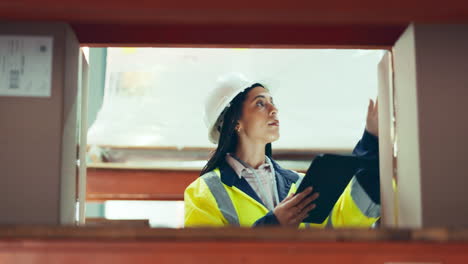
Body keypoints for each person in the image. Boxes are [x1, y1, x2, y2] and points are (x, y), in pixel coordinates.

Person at [184, 72, 380, 228]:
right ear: (235, 121)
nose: (273, 109)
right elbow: (206, 257)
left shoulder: (299, 184)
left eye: (272, 102)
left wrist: (372, 141)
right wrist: (273, 225)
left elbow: (346, 222)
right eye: (260, 103)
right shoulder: (203, 192)